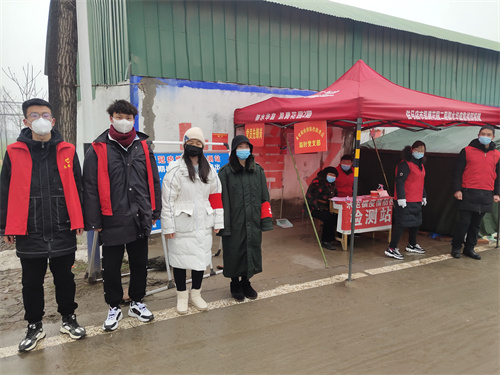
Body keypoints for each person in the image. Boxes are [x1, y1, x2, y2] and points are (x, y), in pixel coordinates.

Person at [0, 98, 86, 352]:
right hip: (30, 229)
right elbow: (4, 191)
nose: (41, 119)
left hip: (62, 225)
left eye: (45, 114)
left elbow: (78, 187)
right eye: (34, 115)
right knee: (31, 282)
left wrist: (79, 219)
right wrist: (6, 227)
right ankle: (34, 325)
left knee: (65, 278)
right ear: (25, 121)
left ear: (53, 120)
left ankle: (68, 319)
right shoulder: (14, 151)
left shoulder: (67, 150)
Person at [83, 100, 161, 331]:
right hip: (111, 217)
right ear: (111, 118)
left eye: (129, 118)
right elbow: (89, 186)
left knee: (139, 263)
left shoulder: (144, 146)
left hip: (139, 216)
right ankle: (114, 306)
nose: (124, 122)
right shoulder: (98, 148)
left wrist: (154, 211)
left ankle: (137, 301)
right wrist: (94, 220)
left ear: (133, 120)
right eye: (120, 117)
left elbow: (153, 181)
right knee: (113, 266)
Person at [161, 127, 224, 314]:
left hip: (203, 222)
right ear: (184, 144)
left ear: (203, 146)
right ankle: (181, 296)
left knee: (200, 260)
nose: (194, 146)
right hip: (181, 223)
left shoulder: (210, 170)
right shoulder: (175, 169)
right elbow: (168, 200)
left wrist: (219, 222)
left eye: (198, 143)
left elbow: (216, 197)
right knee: (180, 261)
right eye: (191, 143)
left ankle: (196, 294)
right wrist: (168, 226)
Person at [217, 135, 273, 301]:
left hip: (253, 221)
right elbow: (222, 202)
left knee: (251, 249)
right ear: (235, 150)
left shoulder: (257, 171)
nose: (244, 150)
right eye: (240, 147)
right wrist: (223, 225)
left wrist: (265, 221)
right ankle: (235, 283)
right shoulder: (225, 173)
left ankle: (246, 282)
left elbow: (264, 198)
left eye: (246, 146)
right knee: (234, 252)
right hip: (234, 223)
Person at [451, 125, 500, 260]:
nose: (485, 136)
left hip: (486, 194)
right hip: (468, 192)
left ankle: (469, 248)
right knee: (463, 223)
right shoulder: (467, 151)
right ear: (478, 135)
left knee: (476, 225)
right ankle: (456, 248)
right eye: (483, 133)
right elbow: (458, 172)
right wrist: (457, 189)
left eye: (488, 134)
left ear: (493, 137)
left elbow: (498, 175)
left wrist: (497, 193)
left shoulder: (497, 154)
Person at [385, 141, 427, 260]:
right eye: (418, 149)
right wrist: (401, 198)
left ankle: (412, 244)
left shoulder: (421, 165)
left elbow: (421, 182)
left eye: (422, 150)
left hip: (417, 199)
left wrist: (424, 195)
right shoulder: (405, 164)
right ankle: (392, 248)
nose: (420, 152)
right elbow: (400, 182)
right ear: (412, 149)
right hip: (405, 200)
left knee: (416, 223)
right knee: (401, 224)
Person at [305, 166, 339, 250]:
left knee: (337, 216)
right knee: (328, 217)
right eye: (330, 174)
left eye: (334, 176)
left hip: (328, 207)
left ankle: (334, 238)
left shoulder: (332, 184)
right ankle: (325, 241)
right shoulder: (317, 182)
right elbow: (311, 197)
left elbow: (335, 195)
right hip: (314, 208)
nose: (332, 177)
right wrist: (319, 208)